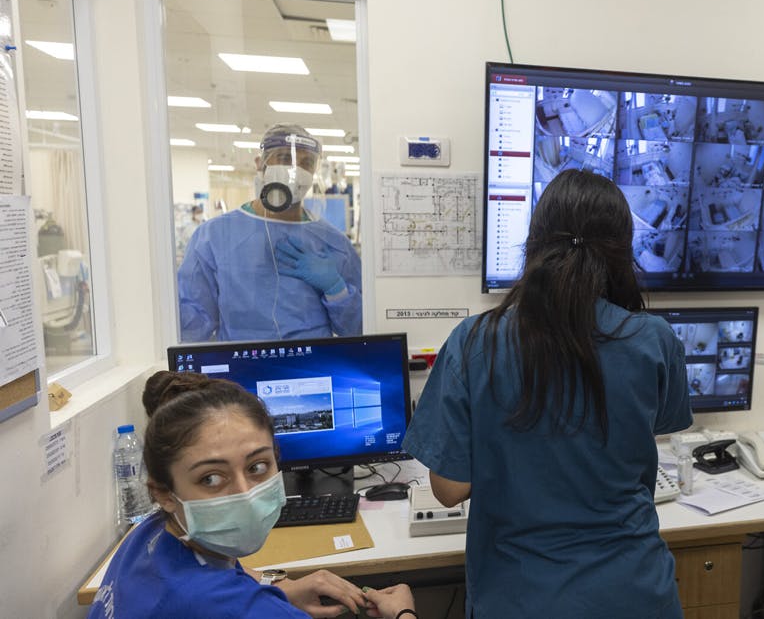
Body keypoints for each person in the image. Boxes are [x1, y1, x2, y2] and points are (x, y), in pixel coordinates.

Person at [402, 169, 693, 618]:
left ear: (535, 243)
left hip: (521, 598)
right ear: (621, 249)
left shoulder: (475, 340)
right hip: (636, 593)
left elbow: (449, 489)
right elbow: (645, 433)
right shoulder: (654, 339)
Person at [88, 371, 416, 619]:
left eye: (257, 467)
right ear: (164, 493)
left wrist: (279, 588)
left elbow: (218, 577)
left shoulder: (147, 536)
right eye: (212, 478)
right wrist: (404, 614)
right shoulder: (249, 612)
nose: (245, 493)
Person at [178, 124, 362, 342]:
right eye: (285, 159)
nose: (296, 170)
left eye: (306, 163)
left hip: (313, 366)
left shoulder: (334, 243)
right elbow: (191, 328)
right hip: (239, 366)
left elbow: (359, 330)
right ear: (260, 164)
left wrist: (336, 289)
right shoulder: (215, 236)